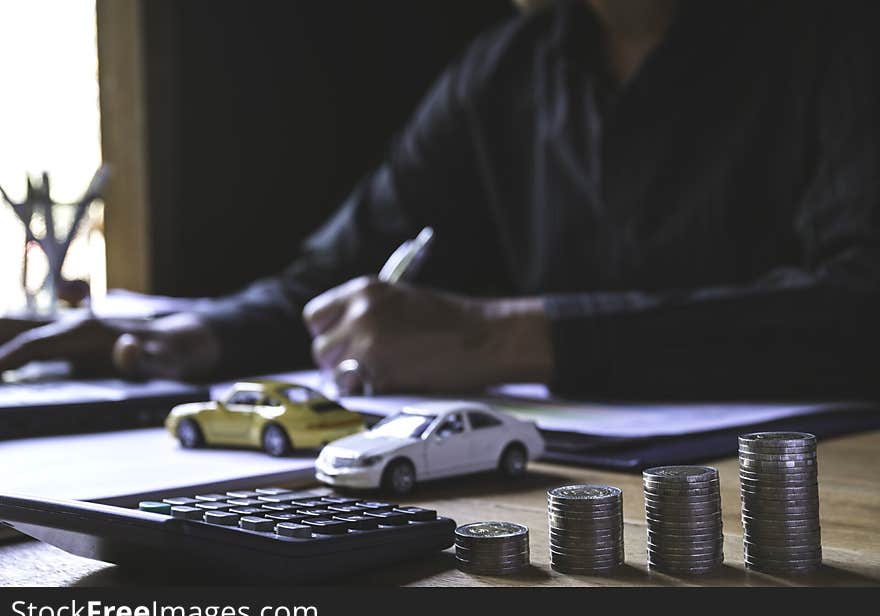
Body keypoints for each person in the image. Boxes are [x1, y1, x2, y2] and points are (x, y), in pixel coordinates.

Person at [1, 0, 878, 398]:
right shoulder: (509, 70)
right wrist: (191, 333)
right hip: (572, 502)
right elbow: (339, 273)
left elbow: (860, 311)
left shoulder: (840, 37)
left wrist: (501, 336)